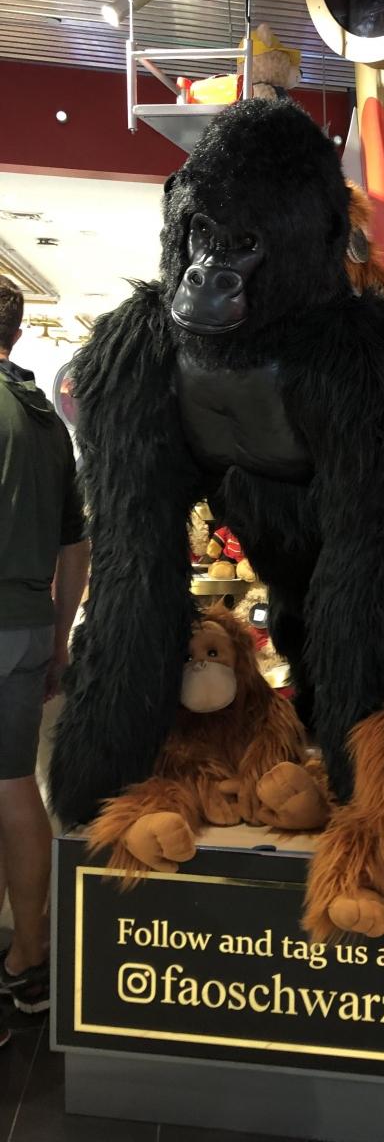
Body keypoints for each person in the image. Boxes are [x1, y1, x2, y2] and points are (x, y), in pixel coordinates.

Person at [0, 278, 88, 1025]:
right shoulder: (43, 419)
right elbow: (75, 544)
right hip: (29, 625)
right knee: (13, 786)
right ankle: (28, 960)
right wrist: (59, 637)